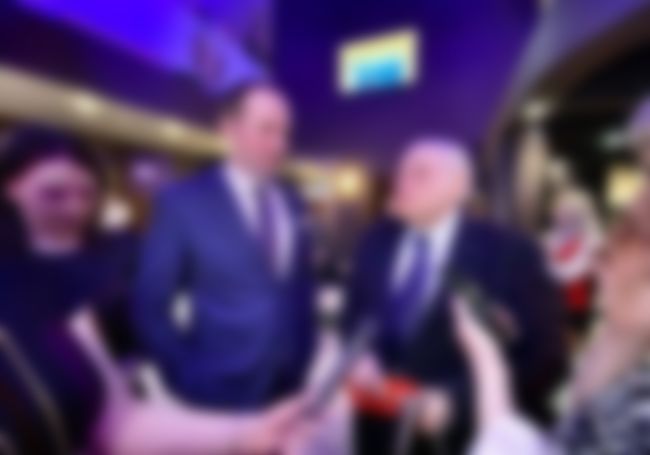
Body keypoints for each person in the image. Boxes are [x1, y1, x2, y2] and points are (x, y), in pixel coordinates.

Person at [0, 126, 310, 454]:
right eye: (53, 194)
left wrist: (243, 432)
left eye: (87, 195)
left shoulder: (100, 261)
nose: (76, 209)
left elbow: (116, 421)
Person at [345, 137, 567, 454]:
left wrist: (456, 403)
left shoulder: (510, 254)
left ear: (460, 187)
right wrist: (358, 357)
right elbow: (353, 319)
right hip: (376, 435)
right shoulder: (375, 241)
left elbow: (543, 358)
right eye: (400, 172)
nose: (401, 182)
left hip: (457, 441)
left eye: (421, 173)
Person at [134, 82, 316, 409]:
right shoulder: (182, 203)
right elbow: (151, 306)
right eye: (267, 129)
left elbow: (300, 287)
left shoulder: (293, 201)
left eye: (285, 132)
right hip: (217, 389)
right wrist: (185, 376)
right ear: (229, 129)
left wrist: (304, 355)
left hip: (288, 384)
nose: (280, 144)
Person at [463, 203, 650, 454]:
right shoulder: (619, 371)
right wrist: (487, 356)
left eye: (629, 233)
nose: (602, 253)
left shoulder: (636, 410)